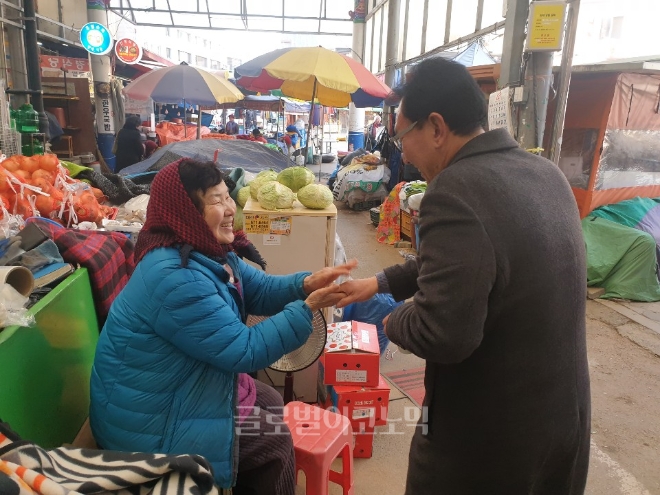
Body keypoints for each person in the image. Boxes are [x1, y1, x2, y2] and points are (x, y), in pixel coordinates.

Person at [336, 58, 591, 494]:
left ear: (436, 127)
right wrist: (378, 284)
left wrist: (383, 315)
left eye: (402, 137)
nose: (404, 153)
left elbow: (442, 334)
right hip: (561, 425)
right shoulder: (544, 173)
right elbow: (473, 260)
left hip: (488, 443)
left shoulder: (455, 190)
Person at [89, 158, 355, 494]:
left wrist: (306, 284)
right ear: (184, 211)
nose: (230, 208)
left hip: (173, 390)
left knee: (270, 401)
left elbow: (260, 289)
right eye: (216, 200)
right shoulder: (173, 275)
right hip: (146, 423)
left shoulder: (208, 253)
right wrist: (308, 308)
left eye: (228, 196)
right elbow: (244, 350)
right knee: (272, 440)